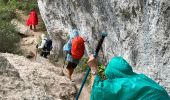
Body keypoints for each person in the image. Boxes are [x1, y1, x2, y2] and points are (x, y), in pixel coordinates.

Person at [88, 55, 170, 100]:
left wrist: (94, 69)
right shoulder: (140, 78)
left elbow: (98, 91)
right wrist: (97, 65)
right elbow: (107, 82)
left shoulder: (124, 86)